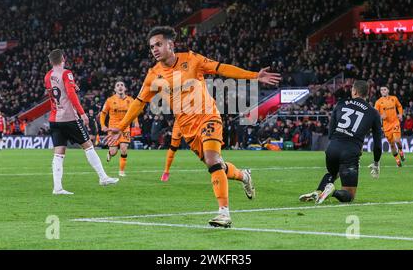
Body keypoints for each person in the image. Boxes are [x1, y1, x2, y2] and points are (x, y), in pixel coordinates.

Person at [106, 26, 281, 227]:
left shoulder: (192, 59)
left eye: (159, 44)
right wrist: (120, 126)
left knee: (213, 160)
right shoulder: (153, 75)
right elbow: (138, 103)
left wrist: (254, 76)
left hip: (208, 117)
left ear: (170, 45)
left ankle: (224, 213)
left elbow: (221, 67)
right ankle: (244, 175)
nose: (154, 49)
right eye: (152, 46)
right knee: (216, 165)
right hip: (187, 128)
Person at [44, 49, 119, 195]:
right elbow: (70, 94)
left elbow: (55, 92)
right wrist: (83, 114)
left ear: (51, 62)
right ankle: (103, 177)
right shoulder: (66, 73)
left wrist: (72, 87)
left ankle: (57, 187)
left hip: (54, 119)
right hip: (69, 118)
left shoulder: (47, 76)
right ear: (63, 59)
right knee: (88, 146)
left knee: (59, 152)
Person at [299, 80, 382, 204]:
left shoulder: (341, 103)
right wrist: (376, 162)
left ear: (354, 91)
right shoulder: (373, 112)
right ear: (367, 93)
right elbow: (377, 143)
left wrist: (334, 144)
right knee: (349, 195)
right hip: (350, 151)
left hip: (332, 148)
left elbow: (331, 130)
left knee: (333, 172)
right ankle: (333, 192)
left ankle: (318, 191)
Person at [100, 81, 139, 177]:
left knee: (124, 149)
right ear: (115, 89)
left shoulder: (130, 100)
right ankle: (110, 152)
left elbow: (134, 113)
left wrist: (136, 122)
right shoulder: (110, 100)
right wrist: (102, 125)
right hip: (113, 129)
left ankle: (121, 171)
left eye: (122, 85)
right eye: (117, 85)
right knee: (114, 152)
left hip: (125, 128)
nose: (120, 87)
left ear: (125, 88)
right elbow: (103, 113)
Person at [374, 86, 405, 166]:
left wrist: (400, 114)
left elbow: (399, 106)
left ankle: (401, 150)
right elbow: (375, 114)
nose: (383, 91)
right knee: (392, 144)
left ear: (388, 90)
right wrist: (381, 116)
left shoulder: (394, 98)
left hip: (395, 123)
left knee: (397, 140)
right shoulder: (378, 102)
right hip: (386, 126)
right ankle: (397, 160)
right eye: (381, 90)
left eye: (384, 89)